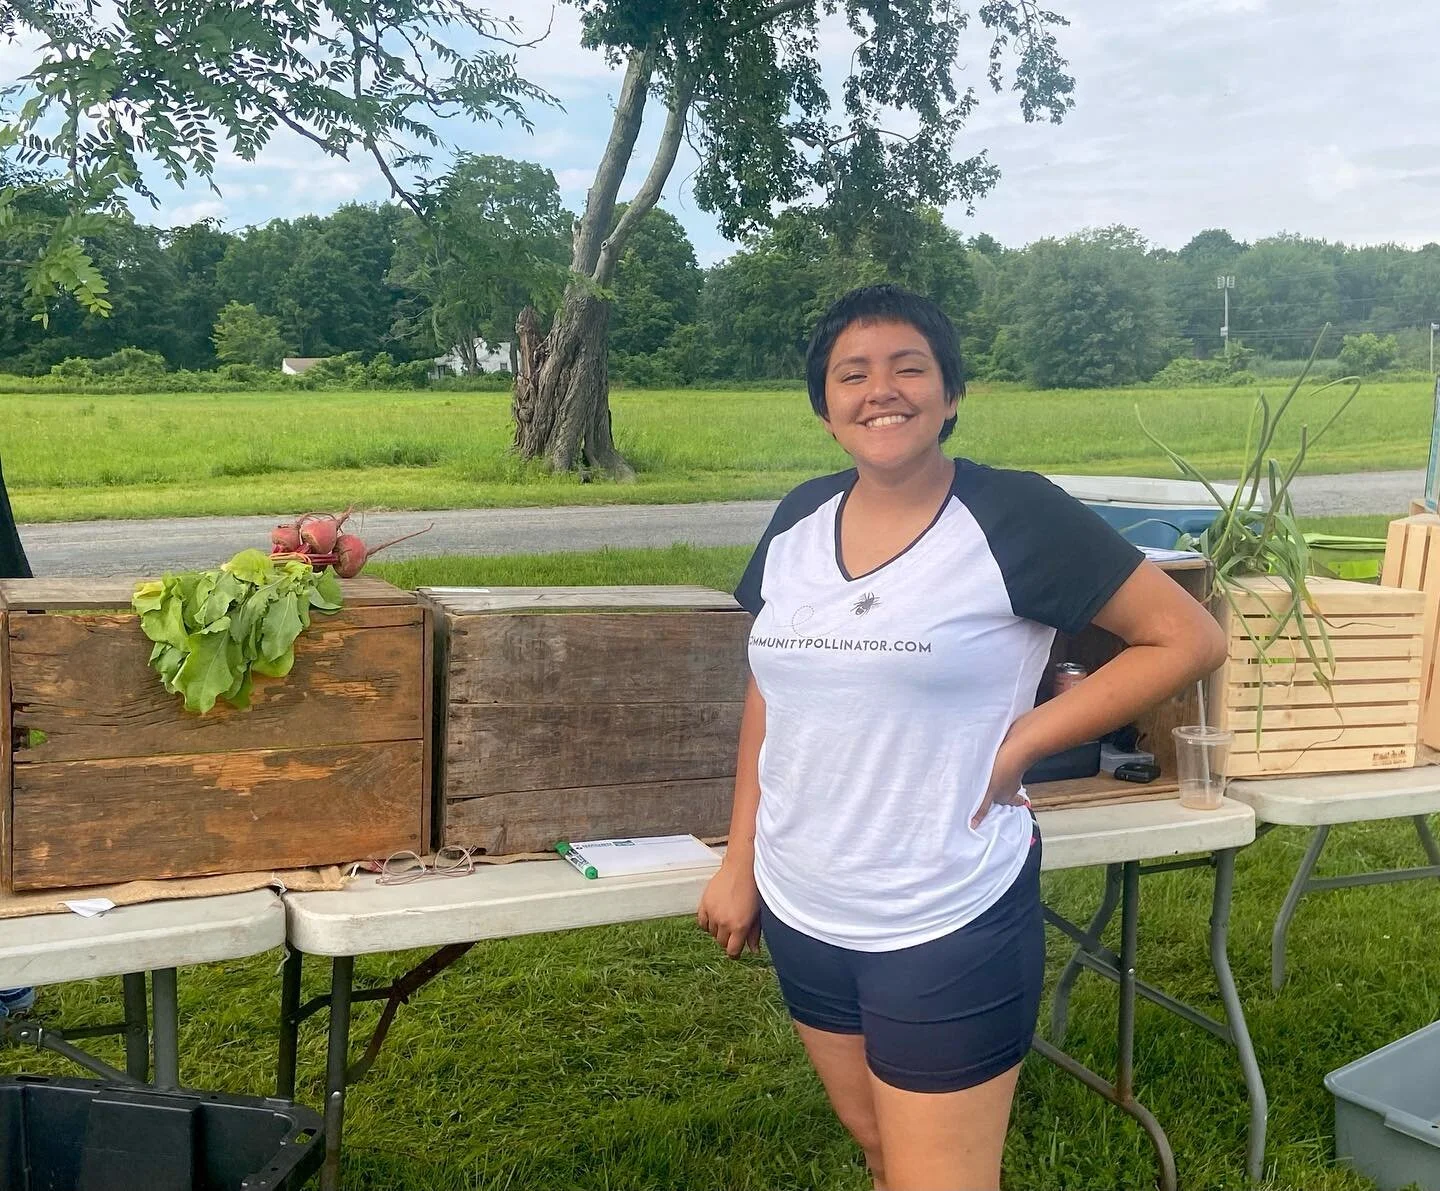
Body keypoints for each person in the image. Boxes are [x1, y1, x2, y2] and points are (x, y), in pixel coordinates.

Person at [697, 285, 1226, 1191]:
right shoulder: (796, 520)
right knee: (879, 1152)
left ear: (950, 392)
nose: (882, 390)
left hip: (945, 910)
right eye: (851, 374)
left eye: (910, 367)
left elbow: (1187, 637)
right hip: (805, 904)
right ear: (824, 408)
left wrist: (1026, 737)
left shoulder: (1016, 514)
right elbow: (768, 693)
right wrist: (740, 858)